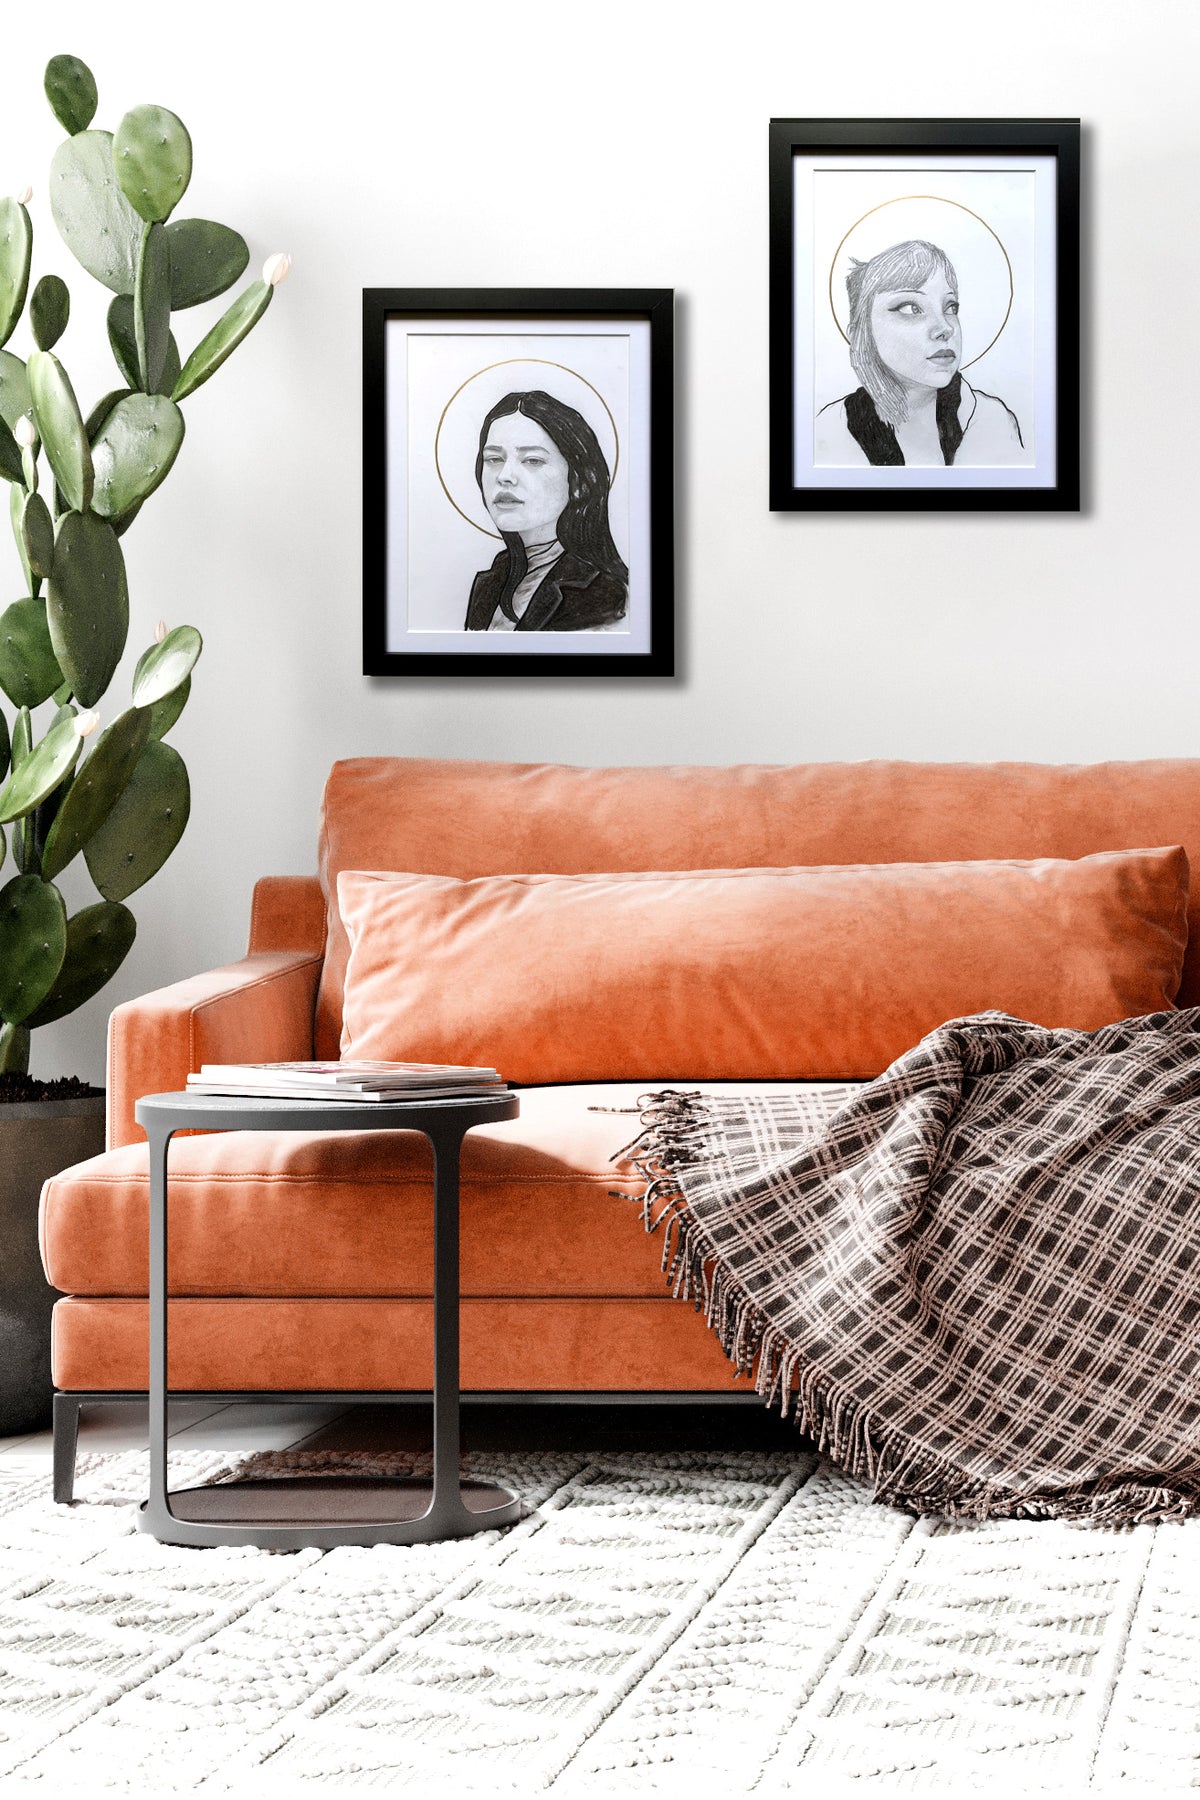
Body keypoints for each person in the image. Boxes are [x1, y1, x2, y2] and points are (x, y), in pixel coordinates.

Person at [815, 239, 1025, 468]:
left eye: (950, 307)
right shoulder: (827, 430)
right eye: (910, 308)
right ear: (861, 332)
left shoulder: (993, 419)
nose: (945, 328)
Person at [464, 390, 628, 631]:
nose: (505, 477)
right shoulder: (493, 580)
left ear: (579, 480)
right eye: (494, 459)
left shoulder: (603, 594)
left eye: (532, 460)